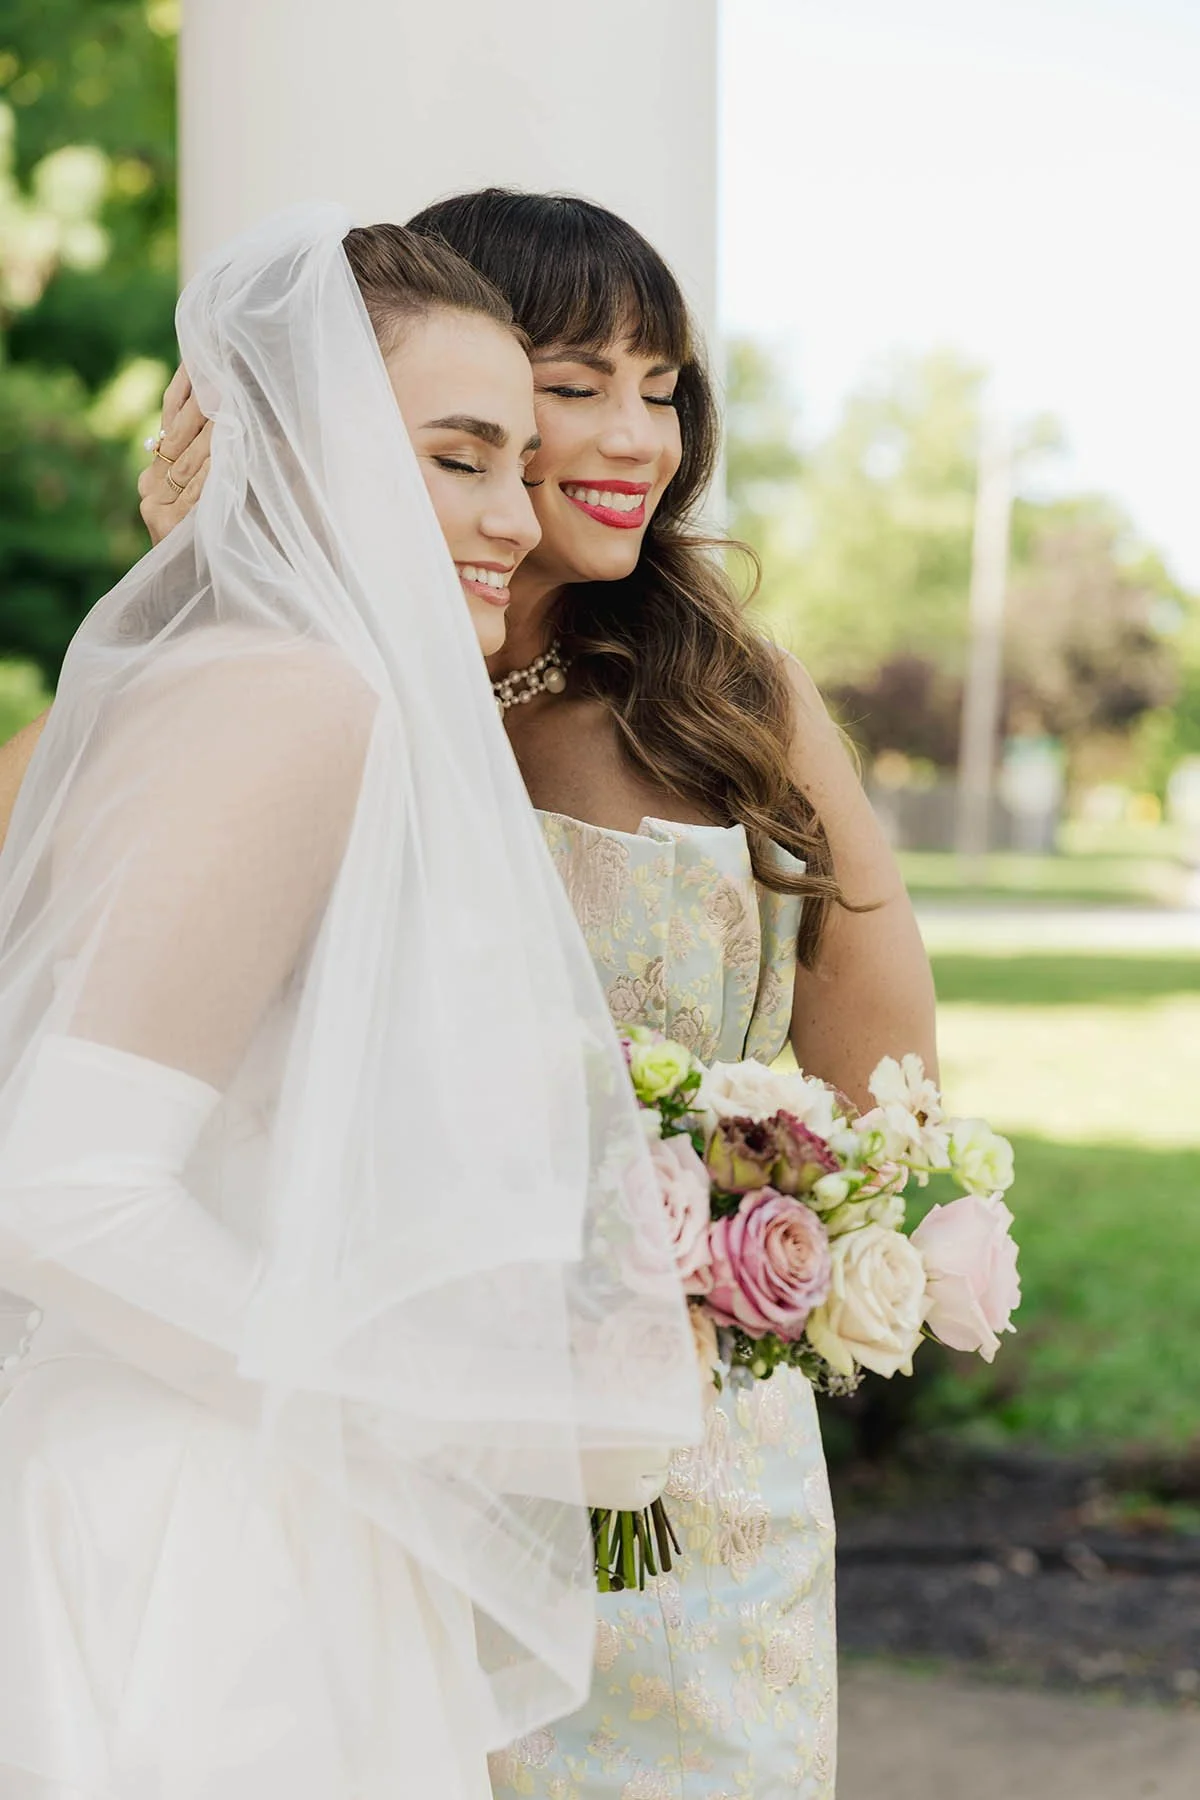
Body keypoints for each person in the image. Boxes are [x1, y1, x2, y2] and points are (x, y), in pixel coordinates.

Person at [0, 190, 936, 1799]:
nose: (619, 437)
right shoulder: (306, 687)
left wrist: (741, 1243)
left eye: (665, 386)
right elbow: (65, 925)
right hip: (367, 1456)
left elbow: (882, 1083)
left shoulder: (725, 696)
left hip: (666, 1456)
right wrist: (231, 566)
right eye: (563, 392)